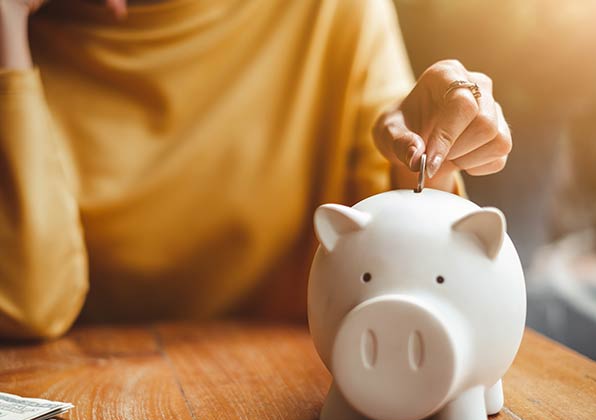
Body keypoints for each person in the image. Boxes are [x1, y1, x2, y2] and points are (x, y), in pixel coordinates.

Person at [0, 0, 512, 339]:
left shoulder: (327, 11)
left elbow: (401, 242)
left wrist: (429, 156)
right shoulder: (31, 35)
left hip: (293, 400)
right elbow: (27, 305)